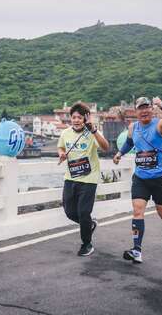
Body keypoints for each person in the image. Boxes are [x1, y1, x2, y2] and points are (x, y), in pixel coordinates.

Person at [113, 97, 162, 264]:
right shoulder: (132, 128)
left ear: (152, 109)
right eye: (140, 108)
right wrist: (120, 153)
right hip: (141, 177)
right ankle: (137, 250)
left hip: (160, 177)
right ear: (136, 111)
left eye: (147, 108)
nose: (144, 111)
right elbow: (129, 142)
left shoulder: (160, 124)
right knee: (137, 211)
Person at [57, 102, 110, 256]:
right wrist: (61, 153)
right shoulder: (65, 133)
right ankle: (89, 225)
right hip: (70, 177)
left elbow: (106, 147)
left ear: (85, 119)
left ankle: (87, 244)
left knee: (83, 212)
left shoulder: (92, 133)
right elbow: (61, 147)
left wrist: (94, 130)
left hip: (89, 178)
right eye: (74, 117)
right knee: (69, 211)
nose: (76, 120)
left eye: (80, 117)